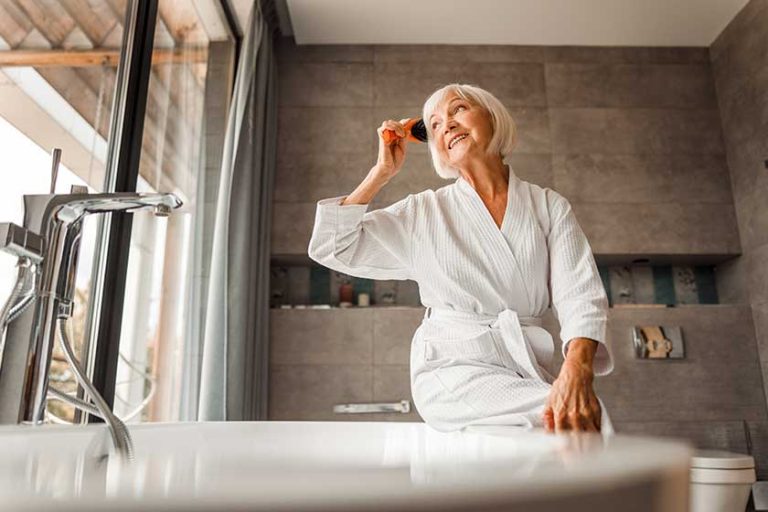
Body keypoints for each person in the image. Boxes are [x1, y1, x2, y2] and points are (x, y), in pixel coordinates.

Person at [308, 83, 614, 436]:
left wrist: (577, 370)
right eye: (435, 124)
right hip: (451, 367)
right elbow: (333, 246)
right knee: (562, 422)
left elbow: (579, 293)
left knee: (584, 418)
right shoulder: (424, 212)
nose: (447, 125)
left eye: (458, 109)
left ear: (493, 118)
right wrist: (381, 173)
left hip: (523, 364)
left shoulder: (547, 206)